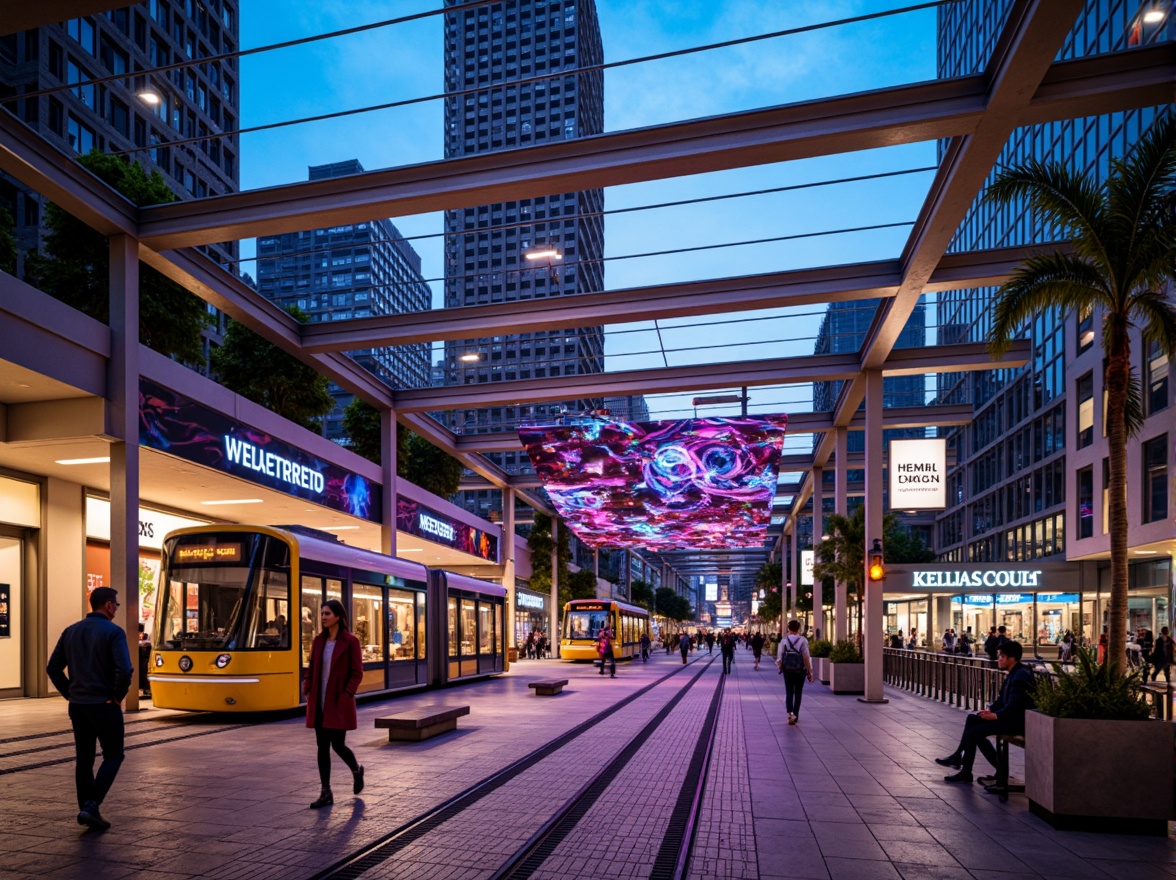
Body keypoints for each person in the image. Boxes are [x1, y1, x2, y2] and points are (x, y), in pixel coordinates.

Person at [46, 586, 133, 832]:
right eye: (115, 604)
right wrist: (117, 696)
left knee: (84, 759)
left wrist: (70, 693)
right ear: (107, 605)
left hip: (79, 706)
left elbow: (52, 668)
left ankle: (87, 808)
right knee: (114, 755)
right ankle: (91, 806)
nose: (116, 608)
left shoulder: (70, 631)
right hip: (104, 705)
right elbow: (124, 670)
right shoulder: (114, 633)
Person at [936, 641, 1034, 787]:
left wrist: (995, 716)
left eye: (1002, 656)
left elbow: (1015, 707)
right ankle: (960, 761)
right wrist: (990, 710)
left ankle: (993, 770)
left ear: (1012, 658)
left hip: (1017, 722)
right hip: (1010, 718)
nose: (998, 659)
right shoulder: (1014, 673)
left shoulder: (1020, 676)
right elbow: (1002, 700)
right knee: (972, 719)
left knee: (974, 733)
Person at [303, 598, 364, 809]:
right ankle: (325, 792)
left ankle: (356, 770)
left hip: (338, 700)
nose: (323, 617)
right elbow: (311, 669)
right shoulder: (318, 641)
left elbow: (357, 673)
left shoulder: (350, 641)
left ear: (338, 616)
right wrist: (307, 687)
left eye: (327, 613)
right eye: (321, 614)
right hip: (319, 700)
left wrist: (347, 693)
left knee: (338, 744)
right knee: (322, 747)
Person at [775, 619, 814, 725]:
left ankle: (790, 713)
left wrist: (781, 668)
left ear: (788, 629)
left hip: (787, 670)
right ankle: (795, 715)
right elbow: (806, 657)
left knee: (789, 691)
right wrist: (809, 672)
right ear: (798, 629)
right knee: (798, 692)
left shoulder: (784, 640)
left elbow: (779, 658)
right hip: (800, 670)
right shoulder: (803, 640)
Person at [137, 623, 152, 698]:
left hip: (144, 660)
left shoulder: (145, 641)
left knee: (144, 672)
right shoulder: (143, 642)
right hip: (143, 660)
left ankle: (146, 688)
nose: (140, 635)